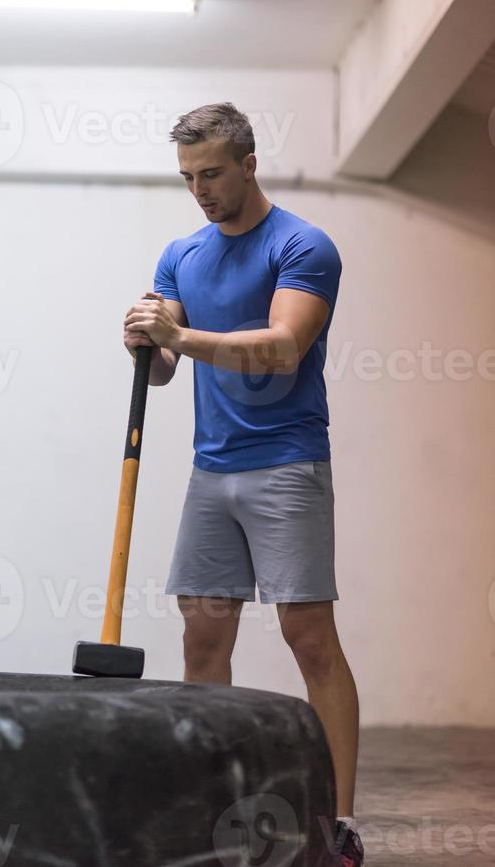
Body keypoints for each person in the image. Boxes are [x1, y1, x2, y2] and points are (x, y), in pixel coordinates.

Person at [123, 101, 364, 867]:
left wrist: (179, 338)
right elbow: (164, 370)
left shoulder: (302, 245)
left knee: (308, 638)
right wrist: (144, 342)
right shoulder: (181, 254)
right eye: (189, 177)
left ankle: (337, 824)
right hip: (212, 471)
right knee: (203, 636)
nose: (201, 189)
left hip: (288, 465)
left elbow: (284, 347)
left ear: (250, 163)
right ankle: (209, 809)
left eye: (213, 173)